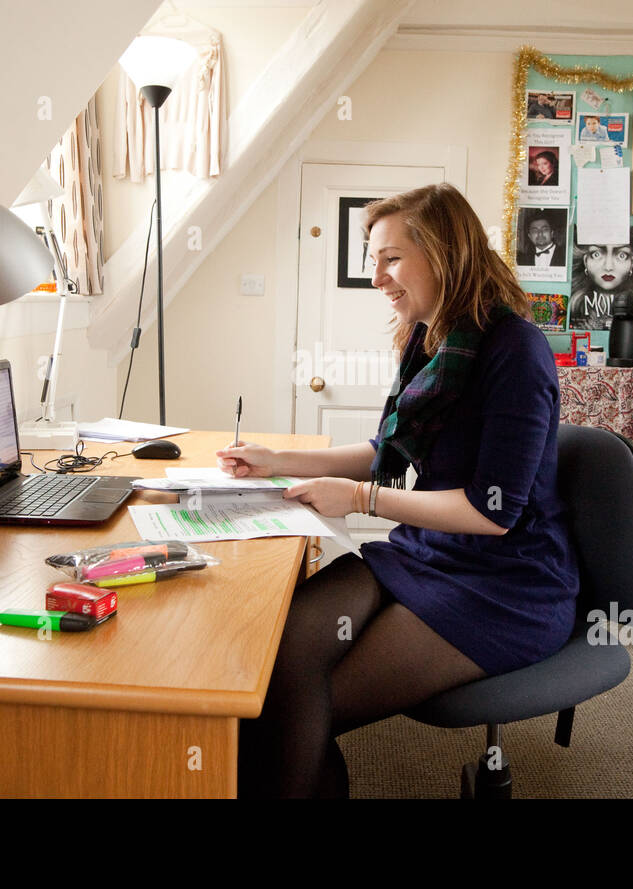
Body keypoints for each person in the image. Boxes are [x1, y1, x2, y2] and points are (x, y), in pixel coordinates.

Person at [219, 183, 578, 799]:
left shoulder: (515, 352)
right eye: (373, 258)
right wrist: (277, 460)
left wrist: (361, 500)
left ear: (446, 254)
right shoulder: (430, 337)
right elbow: (387, 454)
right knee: (284, 656)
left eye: (390, 258)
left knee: (298, 710)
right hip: (424, 552)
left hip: (504, 585)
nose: (377, 277)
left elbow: (492, 514)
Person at [568, 228, 633, 331]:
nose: (608, 267)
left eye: (621, 255)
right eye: (596, 254)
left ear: (632, 263)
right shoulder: (574, 309)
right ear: (585, 261)